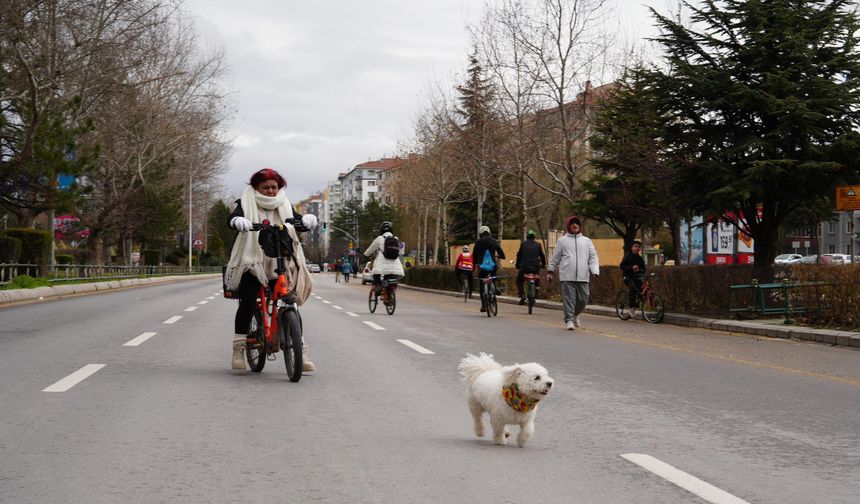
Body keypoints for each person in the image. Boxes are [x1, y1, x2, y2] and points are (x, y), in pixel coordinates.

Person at [224, 168, 319, 372]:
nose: (270, 191)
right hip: (253, 261)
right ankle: (238, 350)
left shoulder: (284, 204)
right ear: (256, 188)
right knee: (248, 302)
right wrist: (237, 221)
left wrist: (306, 221)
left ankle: (300, 353)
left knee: (290, 303)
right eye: (265, 187)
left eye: (274, 187)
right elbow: (233, 219)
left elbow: (296, 222)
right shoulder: (245, 202)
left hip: (279, 259)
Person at [546, 215, 599, 330]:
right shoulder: (562, 241)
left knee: (583, 299)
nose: (575, 225)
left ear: (579, 226)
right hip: (567, 275)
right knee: (569, 299)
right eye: (572, 223)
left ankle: (575, 314)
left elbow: (593, 257)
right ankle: (569, 320)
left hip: (583, 275)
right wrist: (550, 271)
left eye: (577, 223)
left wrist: (595, 270)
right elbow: (556, 257)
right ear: (569, 226)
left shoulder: (587, 241)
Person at [363, 221, 405, 292]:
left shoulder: (379, 238)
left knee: (376, 276)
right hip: (395, 264)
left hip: (381, 264)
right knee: (390, 278)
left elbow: (370, 249)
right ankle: (390, 295)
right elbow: (399, 251)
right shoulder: (396, 239)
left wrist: (366, 254)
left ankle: (378, 287)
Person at [472, 225, 506, 312]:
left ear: (480, 233)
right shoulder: (494, 241)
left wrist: (474, 266)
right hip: (492, 265)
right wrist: (501, 256)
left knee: (482, 283)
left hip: (482, 266)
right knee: (493, 276)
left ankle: (483, 305)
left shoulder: (478, 242)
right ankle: (495, 287)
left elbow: (474, 256)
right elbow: (501, 252)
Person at [515, 229, 547, 305]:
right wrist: (543, 265)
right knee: (537, 278)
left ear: (527, 237)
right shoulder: (538, 245)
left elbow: (519, 255)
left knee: (519, 281)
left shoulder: (523, 244)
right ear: (534, 237)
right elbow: (542, 256)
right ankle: (536, 294)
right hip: (535, 267)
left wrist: (517, 265)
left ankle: (522, 295)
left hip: (524, 267)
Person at [620, 239, 646, 310]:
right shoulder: (628, 256)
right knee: (633, 288)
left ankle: (637, 303)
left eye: (638, 247)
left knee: (643, 289)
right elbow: (622, 266)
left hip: (636, 277)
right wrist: (631, 267)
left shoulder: (640, 259)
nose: (637, 248)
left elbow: (643, 269)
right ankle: (631, 307)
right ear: (632, 248)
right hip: (627, 276)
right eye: (635, 246)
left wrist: (639, 270)